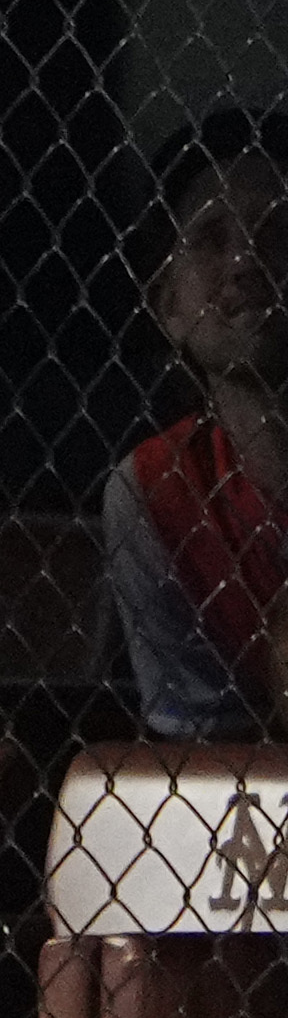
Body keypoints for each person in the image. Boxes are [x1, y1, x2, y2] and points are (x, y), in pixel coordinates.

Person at [107, 105, 288, 739]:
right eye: (213, 238)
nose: (245, 262)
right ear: (169, 307)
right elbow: (200, 744)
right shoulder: (156, 488)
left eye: (278, 232)